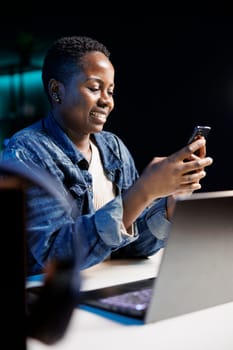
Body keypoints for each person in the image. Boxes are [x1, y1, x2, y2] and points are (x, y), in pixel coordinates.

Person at [1, 36, 213, 277]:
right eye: (94, 88)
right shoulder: (26, 151)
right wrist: (144, 191)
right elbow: (52, 257)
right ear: (56, 90)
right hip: (53, 302)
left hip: (103, 285)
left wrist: (170, 205)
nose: (107, 101)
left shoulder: (113, 146)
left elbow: (131, 246)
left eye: (110, 91)